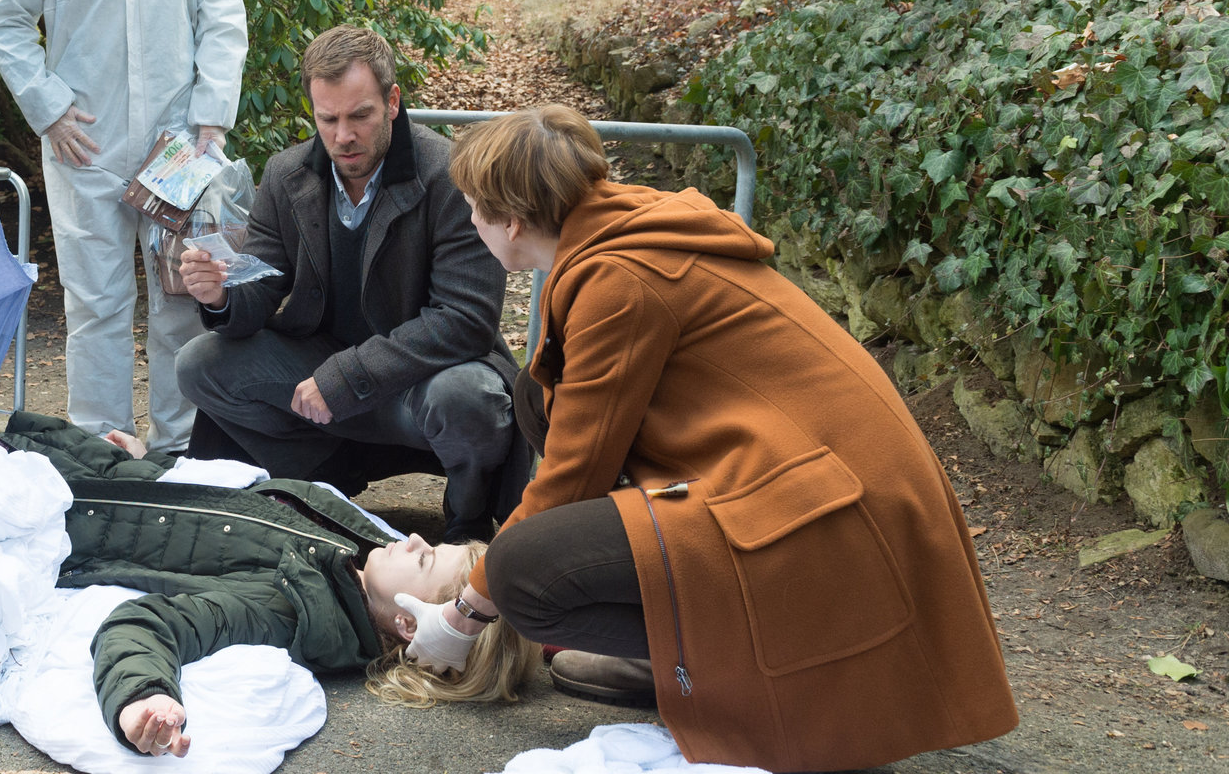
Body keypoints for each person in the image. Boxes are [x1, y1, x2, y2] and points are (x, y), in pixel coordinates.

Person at [406, 105, 1019, 773]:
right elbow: (574, 430)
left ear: (511, 220)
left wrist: (465, 611)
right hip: (818, 485)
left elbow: (569, 483)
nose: (469, 222)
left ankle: (725, 661)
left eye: (472, 208)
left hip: (839, 524)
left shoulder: (621, 281)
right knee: (537, 391)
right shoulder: (626, 232)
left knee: (525, 574)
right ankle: (675, 652)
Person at [0, 412, 541, 758]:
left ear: (407, 621)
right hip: (107, 469)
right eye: (432, 543)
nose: (417, 538)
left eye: (425, 560)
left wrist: (143, 698)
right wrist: (153, 463)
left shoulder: (291, 608)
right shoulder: (359, 553)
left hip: (59, 506)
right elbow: (241, 503)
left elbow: (147, 625)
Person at [0, 0, 247, 456]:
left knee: (181, 297)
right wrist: (49, 107)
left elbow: (222, 12)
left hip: (179, 145)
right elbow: (5, 21)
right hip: (86, 146)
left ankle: (180, 450)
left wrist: (210, 114)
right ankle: (100, 451)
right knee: (97, 303)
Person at [174, 26, 520, 543]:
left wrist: (346, 376)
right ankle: (324, 482)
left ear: (393, 101)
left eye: (360, 115)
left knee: (467, 395)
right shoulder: (287, 172)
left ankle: (466, 523)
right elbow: (262, 283)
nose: (342, 136)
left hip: (422, 381)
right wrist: (222, 295)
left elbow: (465, 322)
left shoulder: (451, 174)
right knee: (199, 363)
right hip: (323, 366)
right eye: (327, 119)